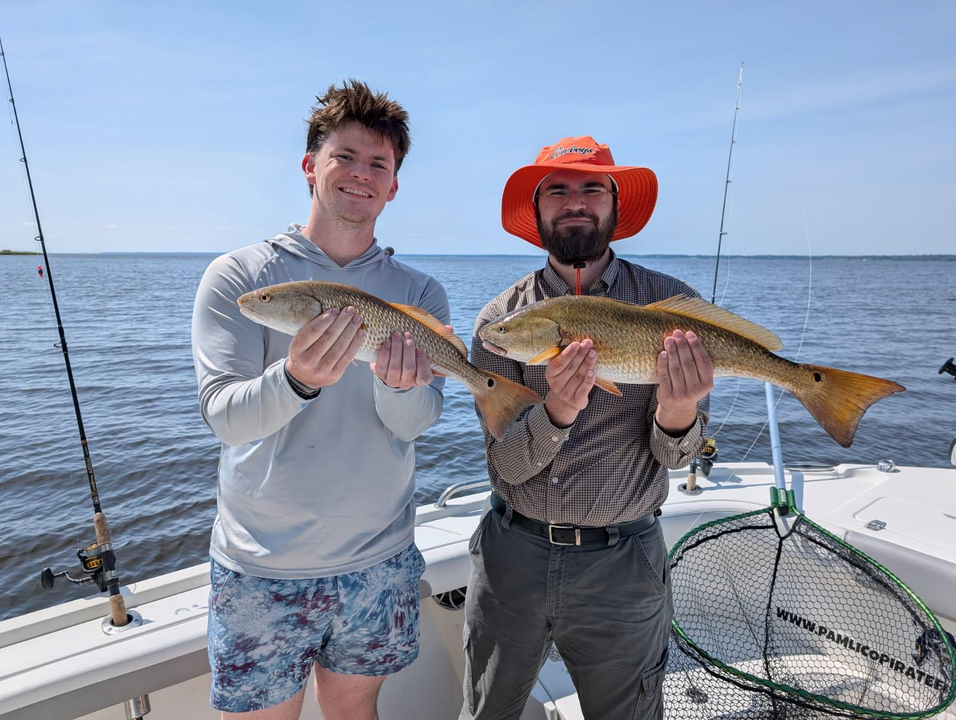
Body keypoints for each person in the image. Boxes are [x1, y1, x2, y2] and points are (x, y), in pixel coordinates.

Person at [192, 80, 447, 720]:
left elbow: (417, 422)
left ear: (393, 186)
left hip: (381, 560)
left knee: (355, 713)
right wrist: (297, 378)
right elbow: (224, 418)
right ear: (310, 166)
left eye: (379, 165)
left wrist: (396, 386)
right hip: (262, 567)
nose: (361, 175)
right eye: (346, 157)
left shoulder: (418, 293)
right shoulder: (242, 278)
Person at [460, 136, 714, 719]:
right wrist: (556, 414)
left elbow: (680, 460)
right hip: (512, 559)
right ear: (539, 208)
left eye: (592, 188)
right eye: (558, 190)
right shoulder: (501, 322)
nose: (576, 201)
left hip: (624, 565)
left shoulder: (674, 305)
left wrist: (677, 415)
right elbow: (505, 465)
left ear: (615, 206)